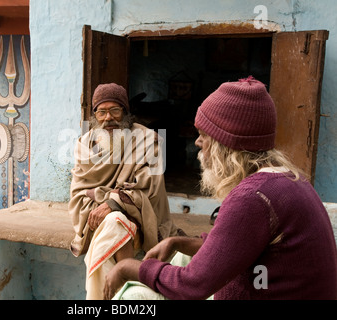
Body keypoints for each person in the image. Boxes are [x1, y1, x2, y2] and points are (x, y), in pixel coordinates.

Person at [103, 76, 337, 300]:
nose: (197, 142)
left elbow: (192, 286)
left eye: (204, 135)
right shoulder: (285, 180)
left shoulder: (253, 197)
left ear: (227, 144)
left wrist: (127, 267)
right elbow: (231, 247)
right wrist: (177, 241)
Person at [69, 83, 183, 299]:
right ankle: (129, 295)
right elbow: (79, 194)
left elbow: (148, 189)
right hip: (96, 213)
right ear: (94, 115)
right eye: (101, 111)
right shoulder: (84, 144)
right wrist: (112, 199)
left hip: (140, 218)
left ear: (126, 113)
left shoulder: (148, 140)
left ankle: (122, 295)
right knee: (114, 222)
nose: (108, 118)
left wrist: (110, 202)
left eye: (115, 110)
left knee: (116, 222)